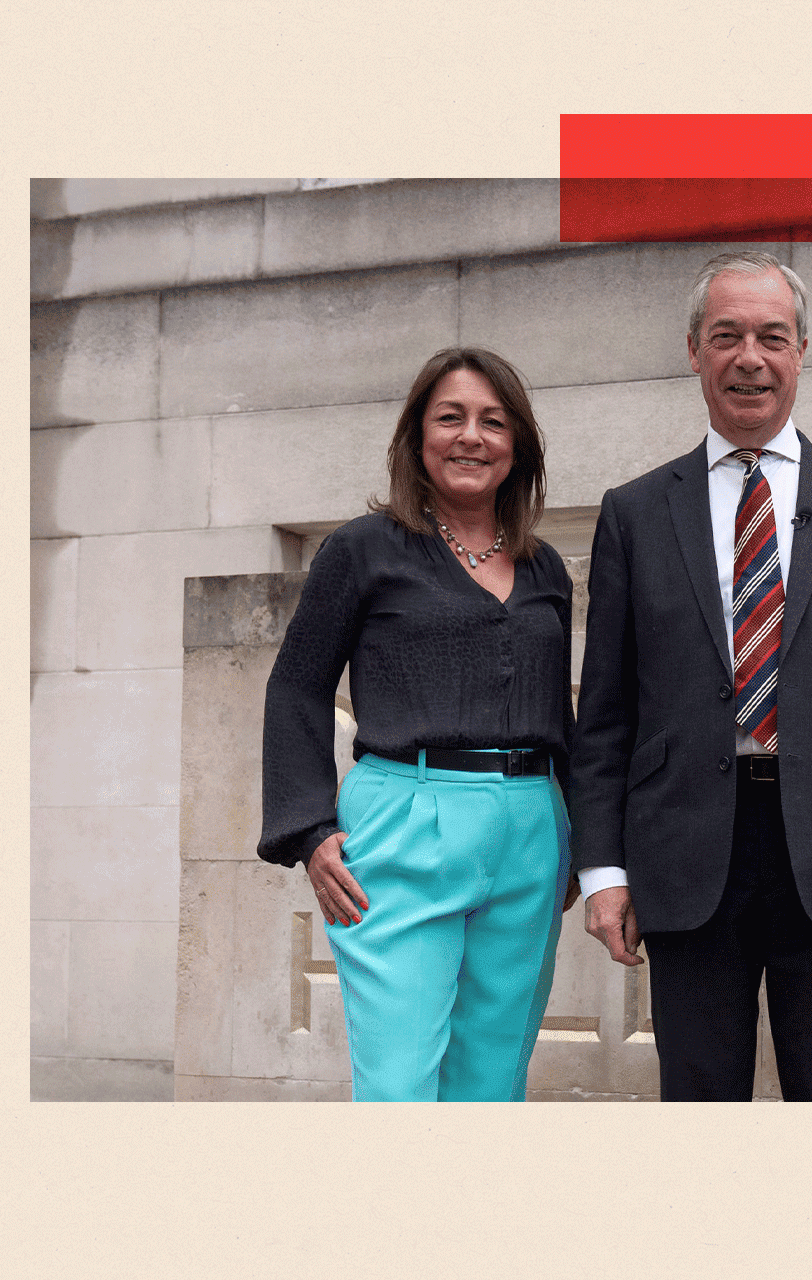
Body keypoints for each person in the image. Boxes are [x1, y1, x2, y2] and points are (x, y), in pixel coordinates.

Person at [570, 251, 812, 1101]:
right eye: (727, 336)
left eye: (771, 337)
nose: (750, 356)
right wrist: (602, 872)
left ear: (802, 350)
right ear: (694, 351)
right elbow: (603, 713)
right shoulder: (634, 512)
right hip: (684, 859)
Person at [257, 347, 578, 1102]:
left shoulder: (546, 569)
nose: (472, 436)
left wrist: (585, 838)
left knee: (492, 1082)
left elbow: (562, 716)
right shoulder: (363, 550)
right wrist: (308, 828)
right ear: (418, 436)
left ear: (518, 447)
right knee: (400, 1085)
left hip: (533, 831)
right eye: (451, 417)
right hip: (405, 824)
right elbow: (297, 688)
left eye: (493, 422)